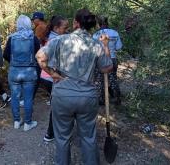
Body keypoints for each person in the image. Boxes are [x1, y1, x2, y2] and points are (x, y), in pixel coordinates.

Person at [36, 9, 113, 165]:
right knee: (88, 138)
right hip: (87, 97)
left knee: (62, 138)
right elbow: (106, 68)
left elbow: (40, 57)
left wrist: (52, 73)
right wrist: (105, 46)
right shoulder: (96, 44)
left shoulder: (60, 40)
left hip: (62, 96)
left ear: (76, 23)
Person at [3, 15, 40, 131]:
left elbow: (5, 55)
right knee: (28, 98)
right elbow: (39, 55)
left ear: (18, 25)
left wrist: (14, 63)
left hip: (14, 72)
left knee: (15, 97)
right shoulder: (33, 38)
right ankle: (28, 123)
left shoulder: (12, 38)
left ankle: (17, 121)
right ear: (29, 24)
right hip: (29, 72)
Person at [39, 15, 69, 142]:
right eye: (65, 27)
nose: (67, 30)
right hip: (52, 78)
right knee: (58, 107)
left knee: (56, 104)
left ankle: (52, 132)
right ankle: (50, 134)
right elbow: (42, 58)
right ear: (56, 28)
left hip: (46, 77)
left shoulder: (51, 37)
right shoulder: (56, 40)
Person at [93, 16, 122, 105]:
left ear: (98, 24)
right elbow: (119, 47)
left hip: (100, 60)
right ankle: (116, 98)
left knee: (99, 80)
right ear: (107, 23)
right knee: (113, 78)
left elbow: (94, 50)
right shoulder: (115, 33)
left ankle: (101, 100)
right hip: (112, 58)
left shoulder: (95, 35)